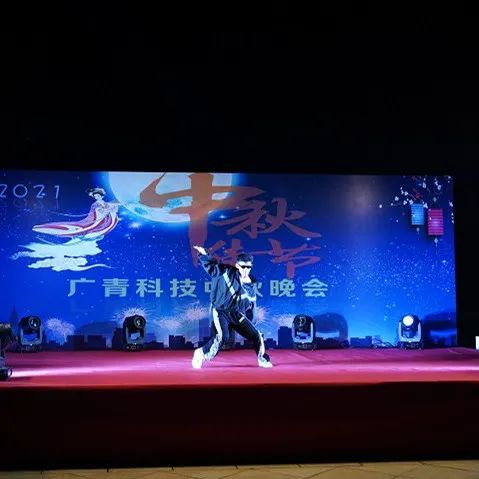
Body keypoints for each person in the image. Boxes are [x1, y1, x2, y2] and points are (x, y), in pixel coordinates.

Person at [192, 246, 273, 369]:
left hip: (237, 314)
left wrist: (251, 319)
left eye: (248, 267)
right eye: (243, 267)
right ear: (237, 265)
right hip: (221, 311)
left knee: (257, 335)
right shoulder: (226, 272)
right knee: (223, 337)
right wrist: (204, 254)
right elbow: (212, 267)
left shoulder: (251, 285)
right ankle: (201, 353)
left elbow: (251, 305)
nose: (245, 270)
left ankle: (262, 359)